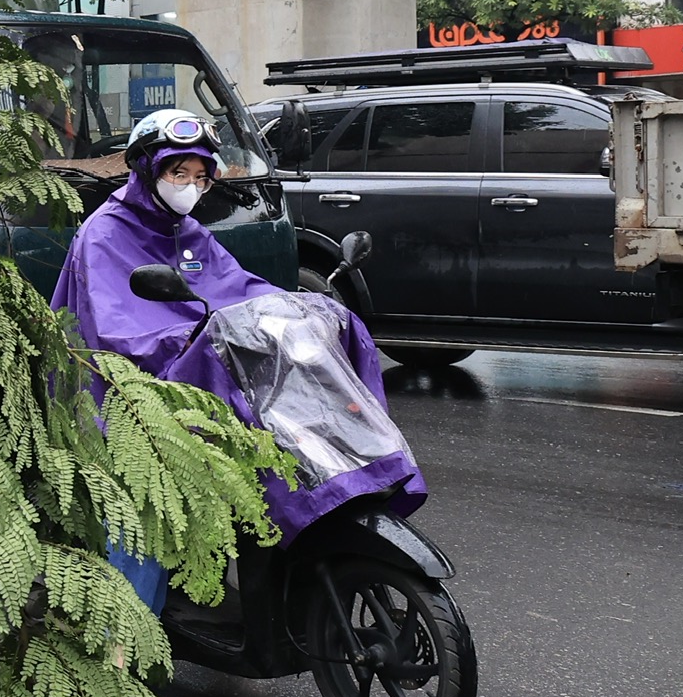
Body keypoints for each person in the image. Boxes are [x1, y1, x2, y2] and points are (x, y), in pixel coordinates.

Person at [49, 107, 421, 611]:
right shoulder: (106, 235)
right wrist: (195, 336)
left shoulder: (190, 233)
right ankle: (125, 648)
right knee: (148, 521)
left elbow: (241, 291)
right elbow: (121, 333)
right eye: (178, 173)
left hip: (194, 382)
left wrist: (299, 310)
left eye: (200, 177)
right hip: (121, 403)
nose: (190, 186)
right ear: (146, 171)